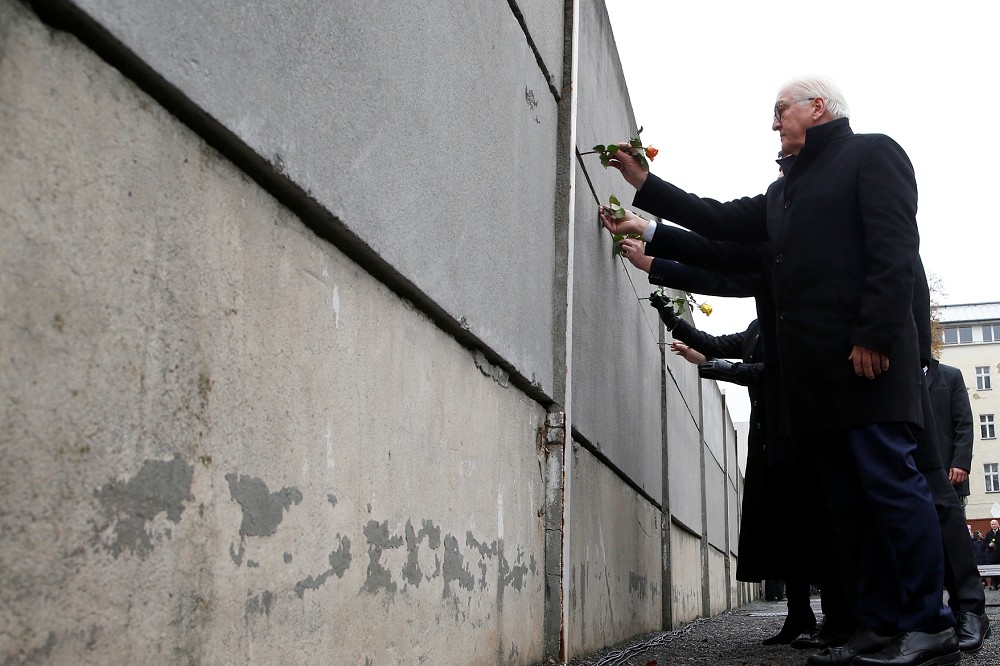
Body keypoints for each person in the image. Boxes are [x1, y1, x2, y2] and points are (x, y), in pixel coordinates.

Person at [602, 75, 958, 666]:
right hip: (814, 384)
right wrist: (645, 187)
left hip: (867, 367)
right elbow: (718, 231)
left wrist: (873, 335)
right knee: (846, 509)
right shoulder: (780, 195)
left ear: (817, 107)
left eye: (779, 110)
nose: (772, 123)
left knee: (891, 493)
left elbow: (894, 249)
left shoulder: (873, 154)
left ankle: (930, 622)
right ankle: (877, 627)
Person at [926, 361, 974, 507]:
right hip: (910, 473)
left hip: (947, 472)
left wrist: (961, 463)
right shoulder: (899, 374)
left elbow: (964, 424)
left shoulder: (951, 375)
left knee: (950, 526)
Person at [987, 520, 1000, 589]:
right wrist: (989, 545)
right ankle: (995, 584)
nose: (993, 525)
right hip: (992, 555)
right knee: (993, 570)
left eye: (994, 524)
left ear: (998, 524)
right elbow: (985, 543)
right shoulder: (989, 534)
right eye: (992, 524)